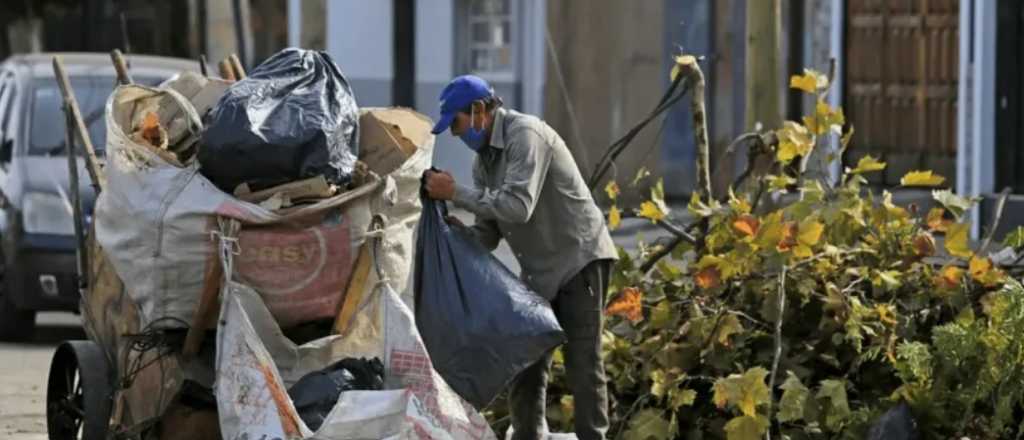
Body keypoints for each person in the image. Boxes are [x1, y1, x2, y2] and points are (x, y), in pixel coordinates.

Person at [423, 74, 618, 440]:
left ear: (479, 111)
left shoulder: (525, 135)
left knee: (583, 364)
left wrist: (456, 193)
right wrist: (453, 236)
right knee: (525, 360)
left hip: (580, 260)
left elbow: (518, 207)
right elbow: (488, 232)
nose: (455, 135)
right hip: (540, 272)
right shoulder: (484, 163)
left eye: (458, 124)